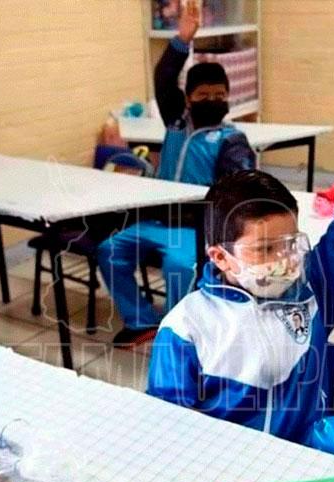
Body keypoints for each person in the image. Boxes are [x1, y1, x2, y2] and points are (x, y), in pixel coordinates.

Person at [146, 73, 334, 443]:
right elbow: (169, 429)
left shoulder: (313, 290)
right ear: (220, 257)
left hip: (302, 457)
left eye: (290, 243)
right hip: (229, 465)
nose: (284, 259)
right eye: (265, 249)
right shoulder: (186, 329)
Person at [98, 0, 255, 345]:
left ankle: (177, 332)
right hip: (156, 219)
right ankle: (141, 320)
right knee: (109, 249)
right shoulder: (176, 122)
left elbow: (238, 193)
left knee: (179, 266)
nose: (212, 100)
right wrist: (182, 39)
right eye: (203, 95)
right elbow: (164, 77)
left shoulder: (231, 140)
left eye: (220, 95)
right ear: (188, 99)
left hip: (193, 228)